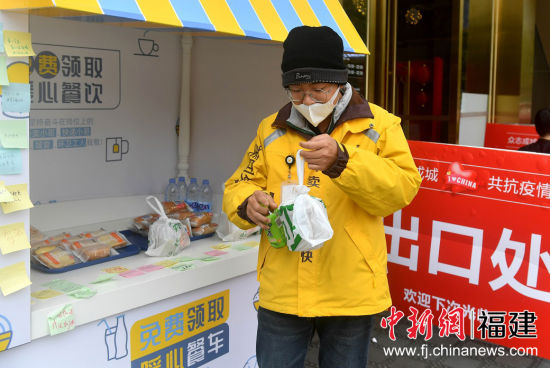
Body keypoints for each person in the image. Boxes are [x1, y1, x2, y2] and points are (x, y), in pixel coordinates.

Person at [223, 26, 422, 368]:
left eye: (318, 89)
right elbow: (238, 183)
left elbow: (401, 189)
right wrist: (247, 201)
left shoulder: (380, 126)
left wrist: (344, 161)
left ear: (340, 84)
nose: (307, 101)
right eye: (296, 91)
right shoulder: (271, 129)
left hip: (350, 284)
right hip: (283, 284)